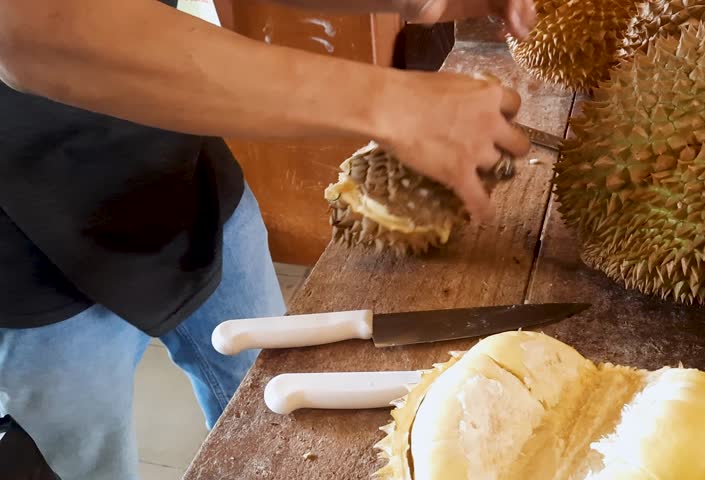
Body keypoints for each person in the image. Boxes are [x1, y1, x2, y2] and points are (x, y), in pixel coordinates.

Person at [0, 0, 535, 478]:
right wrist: (391, 101)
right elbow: (31, 28)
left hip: (187, 174)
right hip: (29, 253)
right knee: (88, 466)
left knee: (273, 409)